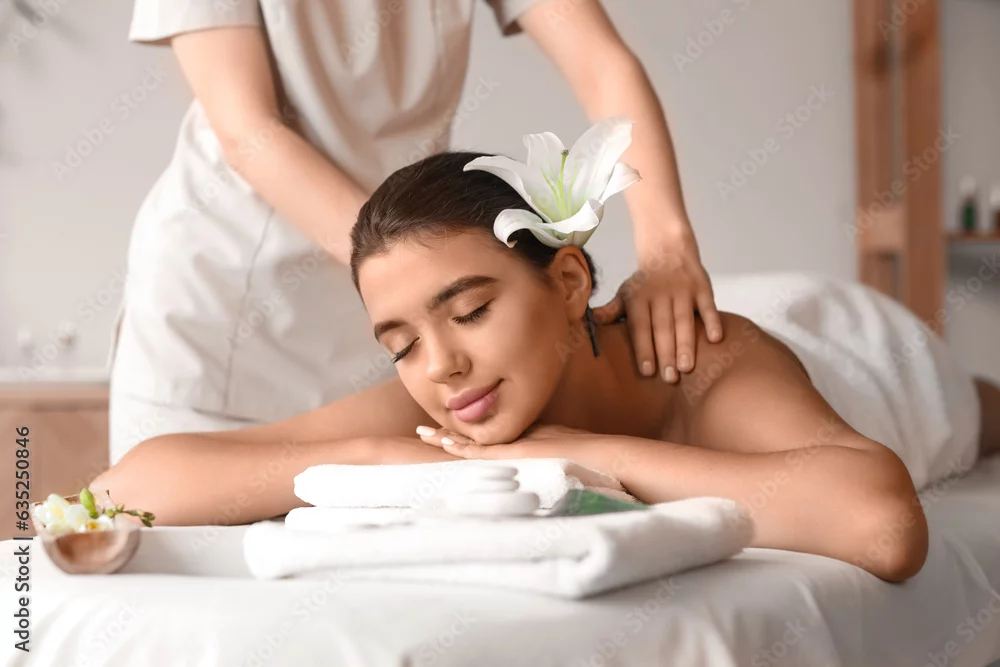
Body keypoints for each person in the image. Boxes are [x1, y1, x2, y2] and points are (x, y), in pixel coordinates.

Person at [91, 149, 1000, 584]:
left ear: (567, 280)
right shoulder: (455, 397)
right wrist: (369, 458)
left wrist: (583, 453)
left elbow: (883, 524)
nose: (441, 364)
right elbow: (123, 485)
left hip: (866, 351)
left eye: (471, 311)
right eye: (400, 343)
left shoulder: (706, 360)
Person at [108, 0, 723, 464]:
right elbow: (249, 132)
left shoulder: (438, 351)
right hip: (223, 326)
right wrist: (421, 275)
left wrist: (667, 247)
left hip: (397, 323)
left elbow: (601, 63)